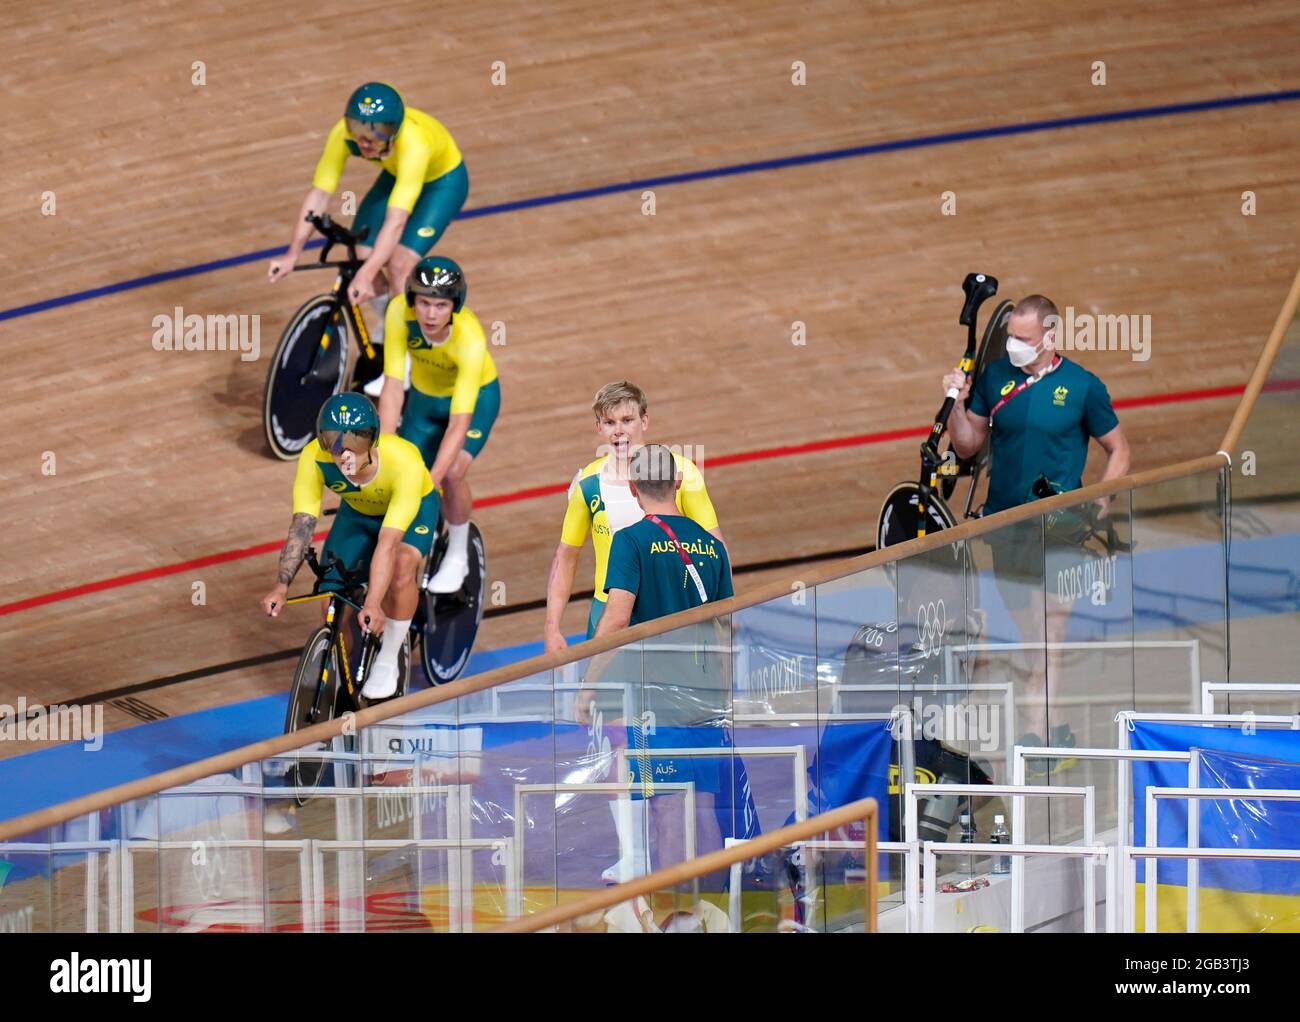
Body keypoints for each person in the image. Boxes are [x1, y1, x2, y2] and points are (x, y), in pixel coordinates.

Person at [942, 293, 1131, 758]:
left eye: (1023, 339)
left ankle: (1035, 735)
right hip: (1007, 525)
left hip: (1061, 528)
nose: (1013, 347)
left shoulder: (1083, 386)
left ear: (1050, 337)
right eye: (1010, 337)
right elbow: (967, 446)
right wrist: (954, 404)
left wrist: (1101, 500)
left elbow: (1119, 450)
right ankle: (1058, 725)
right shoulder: (996, 378)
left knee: (1049, 632)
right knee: (1032, 637)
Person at [577, 444, 735, 883]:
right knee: (703, 804)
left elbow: (616, 619)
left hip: (652, 705)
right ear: (678, 483)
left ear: (632, 486)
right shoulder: (711, 546)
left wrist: (588, 685)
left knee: (665, 806)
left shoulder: (629, 541)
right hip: (704, 700)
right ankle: (712, 910)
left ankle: (675, 913)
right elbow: (727, 629)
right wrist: (724, 699)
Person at [267, 82, 469, 394]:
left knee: (400, 264)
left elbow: (396, 220)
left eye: (377, 131)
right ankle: (389, 324)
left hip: (442, 183)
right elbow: (319, 194)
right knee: (361, 252)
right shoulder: (342, 135)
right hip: (396, 174)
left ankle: (403, 363)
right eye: (358, 127)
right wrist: (292, 253)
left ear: (396, 131)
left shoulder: (414, 144)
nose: (366, 140)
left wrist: (370, 272)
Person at [260, 393, 439, 700]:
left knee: (401, 567)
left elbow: (388, 543)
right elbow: (302, 525)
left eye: (354, 444)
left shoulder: (404, 462)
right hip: (358, 514)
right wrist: (281, 585)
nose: (344, 454)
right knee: (330, 599)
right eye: (334, 442)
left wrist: (373, 602)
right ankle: (342, 678)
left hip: (412, 512)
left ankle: (389, 658)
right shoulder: (314, 457)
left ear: (372, 440)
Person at [544, 381, 724, 651]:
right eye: (609, 422)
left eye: (627, 420)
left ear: (645, 421)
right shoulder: (588, 484)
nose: (618, 431)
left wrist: (722, 612)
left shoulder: (681, 472)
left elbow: (715, 545)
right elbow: (566, 556)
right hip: (609, 609)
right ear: (599, 428)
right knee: (603, 694)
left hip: (669, 604)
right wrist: (552, 626)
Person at [377, 257, 499, 592]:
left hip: (475, 402)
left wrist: (429, 484)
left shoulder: (469, 338)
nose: (430, 315)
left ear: (454, 307)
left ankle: (458, 554)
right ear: (412, 300)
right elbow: (391, 387)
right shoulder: (398, 313)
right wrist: (385, 452)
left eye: (441, 305)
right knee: (401, 469)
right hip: (423, 399)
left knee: (450, 472)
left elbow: (459, 424)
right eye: (424, 303)